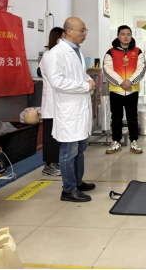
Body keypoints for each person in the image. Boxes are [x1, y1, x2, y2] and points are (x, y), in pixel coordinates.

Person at [48, 17, 96, 203]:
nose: (85, 34)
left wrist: (88, 80)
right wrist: (84, 86)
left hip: (80, 108)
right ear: (69, 31)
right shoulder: (57, 53)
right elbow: (57, 81)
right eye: (82, 30)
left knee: (80, 148)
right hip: (68, 109)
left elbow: (80, 74)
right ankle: (68, 189)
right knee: (69, 150)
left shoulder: (76, 50)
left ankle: (77, 182)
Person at [103, 25, 146, 155]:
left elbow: (141, 69)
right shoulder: (110, 52)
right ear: (118, 36)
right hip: (116, 90)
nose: (126, 37)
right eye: (123, 34)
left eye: (128, 34)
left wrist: (130, 81)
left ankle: (134, 142)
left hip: (132, 90)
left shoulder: (138, 52)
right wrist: (121, 82)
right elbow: (107, 69)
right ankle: (116, 142)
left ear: (131, 36)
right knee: (116, 118)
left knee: (132, 117)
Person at [39, 27, 65, 177]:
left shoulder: (56, 54)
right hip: (52, 101)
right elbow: (56, 79)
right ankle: (50, 165)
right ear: (57, 38)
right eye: (63, 37)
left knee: (58, 134)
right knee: (51, 135)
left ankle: (56, 162)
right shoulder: (50, 55)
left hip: (58, 101)